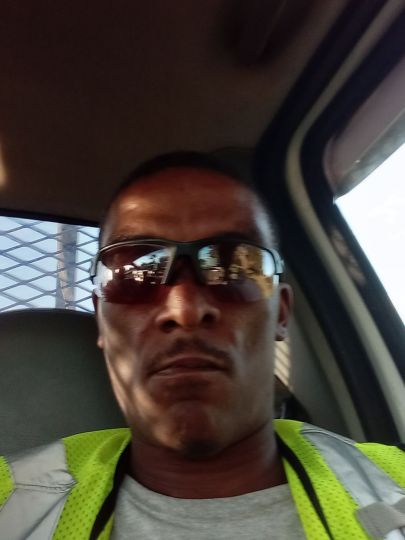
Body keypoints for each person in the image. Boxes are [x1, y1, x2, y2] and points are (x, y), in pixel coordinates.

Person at [1, 152, 404, 540]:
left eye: (233, 268)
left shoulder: (395, 485)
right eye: (136, 272)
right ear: (101, 319)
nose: (185, 309)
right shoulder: (12, 501)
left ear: (281, 313)